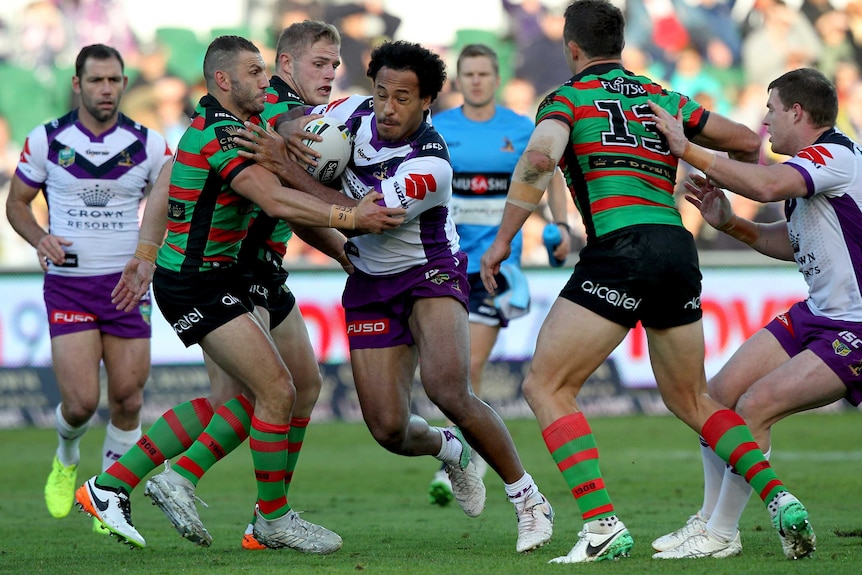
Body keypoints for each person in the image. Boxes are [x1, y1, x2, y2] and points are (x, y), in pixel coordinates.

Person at [479, 0, 815, 563]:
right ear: (621, 46)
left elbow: (539, 161)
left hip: (622, 247)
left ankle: (601, 523)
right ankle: (778, 496)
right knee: (692, 398)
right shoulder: (660, 97)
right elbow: (743, 140)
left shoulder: (565, 99)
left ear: (572, 49)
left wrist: (503, 239)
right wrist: (685, 147)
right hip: (675, 247)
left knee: (546, 385)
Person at [74, 34, 405, 551]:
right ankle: (264, 517)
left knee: (285, 390)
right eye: (319, 63)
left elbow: (283, 195)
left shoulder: (256, 119)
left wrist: (341, 246)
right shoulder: (235, 127)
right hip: (202, 279)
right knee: (269, 393)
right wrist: (352, 216)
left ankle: (125, 485)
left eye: (335, 64)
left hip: (240, 273)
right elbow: (272, 197)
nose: (329, 73)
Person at [248, 39, 556, 554]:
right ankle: (447, 448)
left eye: (404, 98)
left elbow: (366, 216)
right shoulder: (349, 112)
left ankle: (528, 500)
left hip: (429, 272)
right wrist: (286, 130)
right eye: (381, 93)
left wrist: (288, 168)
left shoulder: (431, 165)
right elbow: (294, 120)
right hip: (369, 280)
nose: (388, 108)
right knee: (388, 428)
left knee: (447, 389)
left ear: (427, 101)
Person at [648, 68, 859, 559]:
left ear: (797, 113)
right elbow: (793, 243)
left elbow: (764, 185)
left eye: (771, 110)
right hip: (818, 313)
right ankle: (708, 521)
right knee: (715, 398)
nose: (764, 123)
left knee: (756, 406)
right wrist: (731, 224)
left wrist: (688, 148)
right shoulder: (814, 169)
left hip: (854, 325)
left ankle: (721, 534)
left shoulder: (835, 155)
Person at [5, 44, 171, 534]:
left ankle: (111, 495)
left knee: (128, 398)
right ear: (77, 84)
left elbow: (170, 205)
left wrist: (149, 256)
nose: (106, 89)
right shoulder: (46, 140)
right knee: (79, 402)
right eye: (96, 80)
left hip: (127, 286)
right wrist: (39, 237)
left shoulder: (150, 145)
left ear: (123, 84)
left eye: (114, 81)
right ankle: (66, 456)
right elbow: (17, 203)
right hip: (70, 286)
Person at [425, 43, 571, 506]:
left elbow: (549, 176)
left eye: (483, 73)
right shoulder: (438, 129)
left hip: (495, 267)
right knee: (443, 374)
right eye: (467, 74)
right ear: (458, 80)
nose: (475, 81)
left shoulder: (519, 129)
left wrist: (561, 226)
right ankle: (469, 450)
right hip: (442, 262)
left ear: (495, 77)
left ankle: (464, 462)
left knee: (466, 370)